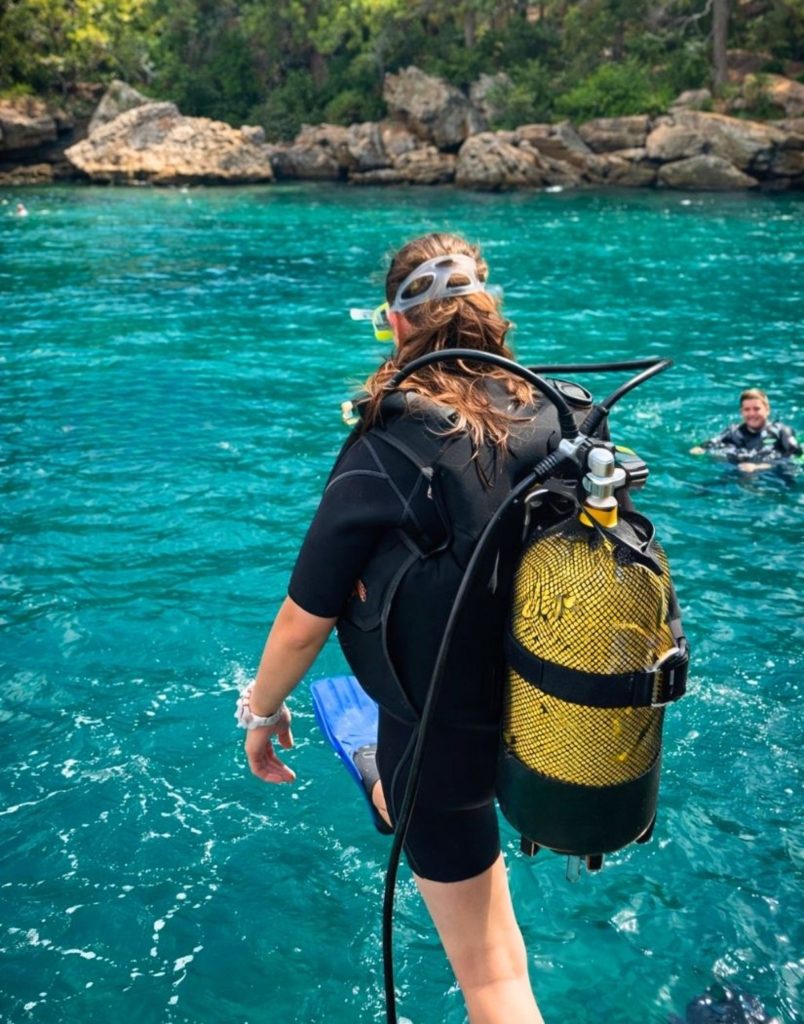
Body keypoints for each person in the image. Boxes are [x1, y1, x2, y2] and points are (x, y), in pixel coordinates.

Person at [235, 232, 591, 1024]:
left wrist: (262, 715)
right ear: (488, 310)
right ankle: (385, 777)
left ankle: (380, 774)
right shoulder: (564, 416)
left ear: (396, 327)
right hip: (556, 717)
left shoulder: (389, 445)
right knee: (496, 949)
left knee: (495, 983)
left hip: (443, 733)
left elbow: (303, 621)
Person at [690, 388, 801, 472]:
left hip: (774, 476)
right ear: (741, 412)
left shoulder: (781, 431)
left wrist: (759, 467)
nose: (752, 414)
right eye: (747, 409)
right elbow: (709, 444)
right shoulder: (733, 431)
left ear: (767, 410)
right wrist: (699, 449)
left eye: (756, 409)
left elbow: (795, 456)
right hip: (739, 471)